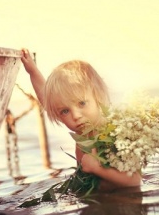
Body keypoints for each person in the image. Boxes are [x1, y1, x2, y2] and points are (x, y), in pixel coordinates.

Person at [20, 49, 141, 189]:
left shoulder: (113, 134)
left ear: (98, 97)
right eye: (65, 111)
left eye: (82, 103)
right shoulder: (82, 135)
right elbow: (47, 100)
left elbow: (134, 181)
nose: (76, 116)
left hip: (123, 202)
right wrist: (32, 71)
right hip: (95, 203)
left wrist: (97, 169)